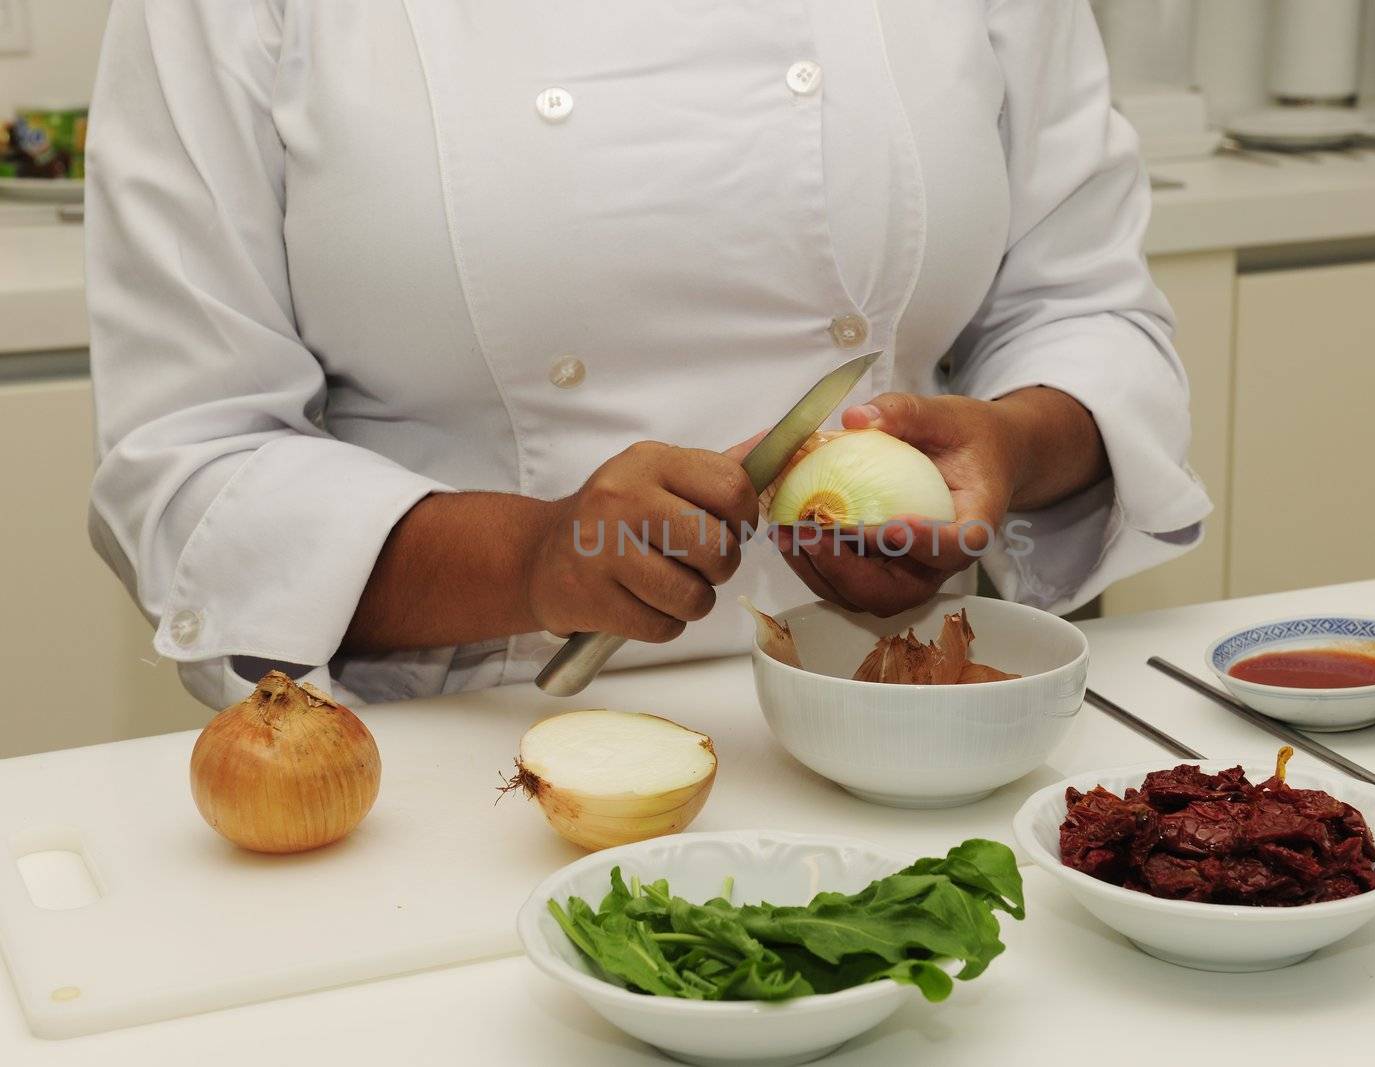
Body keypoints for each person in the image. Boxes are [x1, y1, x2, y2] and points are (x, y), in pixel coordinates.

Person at [86, 0, 1211, 709]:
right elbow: (192, 458)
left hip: (903, 705)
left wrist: (1008, 443)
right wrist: (534, 558)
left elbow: (1084, 308)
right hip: (464, 756)